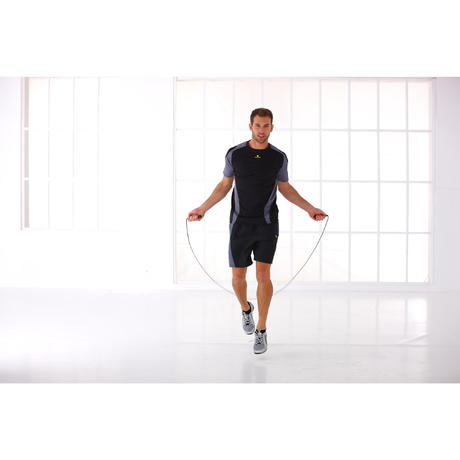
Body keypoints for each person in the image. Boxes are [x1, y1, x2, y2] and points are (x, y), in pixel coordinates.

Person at [188, 108, 327, 354]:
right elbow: (224, 185)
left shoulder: (278, 157)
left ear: (272, 127)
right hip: (239, 223)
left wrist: (310, 208)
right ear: (250, 126)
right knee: (237, 279)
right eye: (258, 125)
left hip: (267, 223)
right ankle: (246, 309)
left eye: (266, 126)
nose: (261, 130)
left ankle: (261, 329)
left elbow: (285, 188)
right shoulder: (235, 154)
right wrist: (202, 208)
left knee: (263, 276)